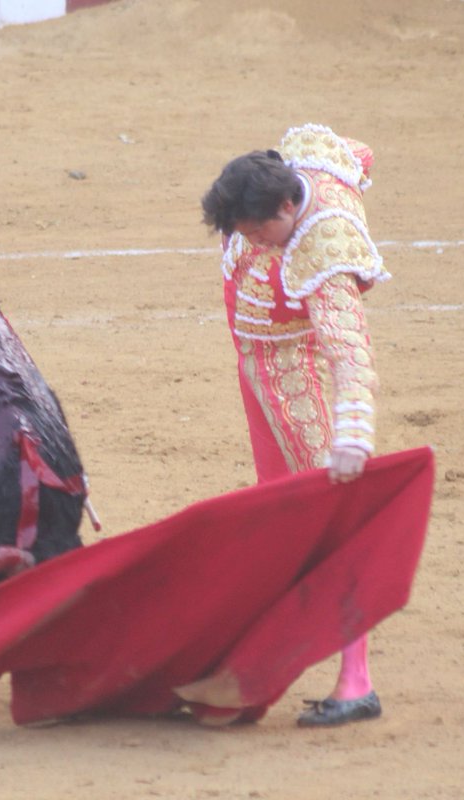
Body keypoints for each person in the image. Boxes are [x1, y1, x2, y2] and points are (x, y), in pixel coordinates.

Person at [200, 123, 392, 727]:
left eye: (260, 231)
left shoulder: (325, 247)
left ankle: (355, 682)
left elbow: (350, 351)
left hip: (294, 372)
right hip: (255, 365)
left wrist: (353, 434)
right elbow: (355, 151)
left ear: (289, 207)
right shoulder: (300, 157)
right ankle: (262, 665)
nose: (253, 242)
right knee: (276, 516)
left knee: (330, 526)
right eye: (243, 232)